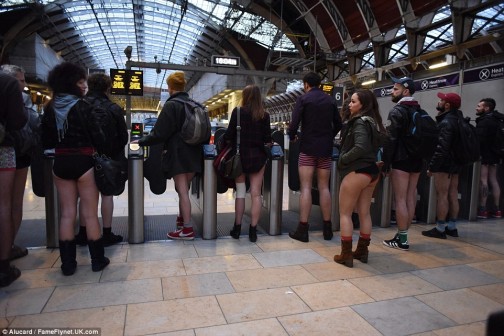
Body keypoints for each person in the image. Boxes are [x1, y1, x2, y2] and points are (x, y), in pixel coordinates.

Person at [41, 62, 110, 275]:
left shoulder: (50, 108)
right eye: (81, 82)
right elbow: (99, 138)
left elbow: (46, 140)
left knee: (67, 214)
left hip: (60, 163)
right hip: (84, 163)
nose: (84, 86)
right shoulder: (84, 106)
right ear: (71, 83)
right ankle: (97, 260)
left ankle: (68, 264)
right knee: (89, 214)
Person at [137, 71, 206, 240]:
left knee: (182, 191)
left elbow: (159, 133)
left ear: (170, 88)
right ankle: (183, 220)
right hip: (194, 153)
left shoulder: (171, 105)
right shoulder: (194, 104)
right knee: (185, 190)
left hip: (178, 154)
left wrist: (141, 142)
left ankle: (187, 230)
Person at [74, 73, 128, 247]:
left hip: (83, 158)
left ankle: (83, 233)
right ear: (108, 87)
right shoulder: (113, 108)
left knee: (85, 197)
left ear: (89, 85)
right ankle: (106, 233)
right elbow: (123, 138)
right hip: (108, 160)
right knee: (107, 195)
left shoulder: (78, 105)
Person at [334, 89, 386, 268]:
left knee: (345, 214)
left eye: (353, 101)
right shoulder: (374, 122)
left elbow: (361, 147)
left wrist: (343, 158)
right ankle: (362, 251)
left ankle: (346, 254)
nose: (349, 104)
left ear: (363, 105)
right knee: (364, 213)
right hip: (372, 172)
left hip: (356, 172)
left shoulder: (358, 123)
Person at [288, 72, 342, 242]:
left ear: (305, 85)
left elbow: (294, 122)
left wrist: (292, 136)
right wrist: (328, 136)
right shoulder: (330, 100)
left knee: (305, 188)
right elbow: (339, 124)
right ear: (320, 84)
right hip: (325, 149)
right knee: (324, 187)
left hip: (307, 149)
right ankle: (327, 229)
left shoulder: (303, 99)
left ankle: (303, 229)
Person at [223, 84, 272, 242]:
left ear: (245, 96)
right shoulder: (264, 115)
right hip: (258, 158)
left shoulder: (237, 112)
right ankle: (253, 231)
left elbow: (229, 134)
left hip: (240, 157)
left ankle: (237, 229)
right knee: (256, 194)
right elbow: (267, 139)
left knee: (241, 193)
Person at [1, 64, 39, 260]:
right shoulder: (14, 92)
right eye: (21, 80)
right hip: (11, 150)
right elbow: (26, 122)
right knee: (9, 204)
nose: (24, 85)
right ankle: (6, 253)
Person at [381, 77, 423, 251]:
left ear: (405, 92)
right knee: (410, 197)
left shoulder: (397, 111)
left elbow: (391, 139)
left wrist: (386, 163)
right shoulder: (419, 110)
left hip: (401, 160)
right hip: (417, 160)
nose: (392, 91)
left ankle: (402, 240)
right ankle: (403, 233)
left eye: (396, 89)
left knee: (400, 199)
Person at [422, 92, 464, 239]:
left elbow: (441, 148)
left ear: (447, 105)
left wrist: (432, 166)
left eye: (441, 100)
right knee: (453, 193)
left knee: (442, 195)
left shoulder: (446, 122)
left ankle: (440, 228)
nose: (439, 102)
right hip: (456, 163)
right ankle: (452, 227)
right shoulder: (460, 119)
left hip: (445, 164)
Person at [0, 70, 27, 287]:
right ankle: (3, 265)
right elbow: (18, 120)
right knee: (5, 205)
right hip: (3, 150)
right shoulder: (6, 84)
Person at [475, 98, 501, 219]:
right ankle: (497, 209)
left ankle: (482, 208)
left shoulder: (485, 121)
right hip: (496, 155)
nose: (477, 108)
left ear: (486, 108)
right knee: (494, 180)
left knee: (483, 180)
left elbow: (480, 140)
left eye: (479, 106)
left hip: (485, 155)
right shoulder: (498, 119)